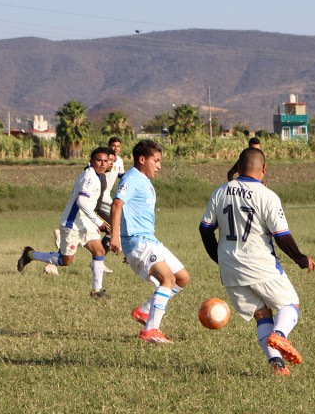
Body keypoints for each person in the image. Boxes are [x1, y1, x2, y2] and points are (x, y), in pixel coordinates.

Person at [200, 147, 315, 376]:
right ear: (263, 169)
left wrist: (219, 258)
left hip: (230, 269)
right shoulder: (267, 195)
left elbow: (205, 229)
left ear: (238, 167)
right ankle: (280, 335)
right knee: (290, 305)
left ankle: (277, 365)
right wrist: (301, 259)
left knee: (262, 315)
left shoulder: (220, 192)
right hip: (260, 265)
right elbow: (281, 236)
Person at [109, 139, 191, 344]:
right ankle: (151, 330)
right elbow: (117, 204)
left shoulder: (143, 180)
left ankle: (145, 311)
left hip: (149, 240)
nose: (159, 166)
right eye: (156, 160)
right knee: (168, 279)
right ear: (142, 159)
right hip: (139, 241)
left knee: (182, 278)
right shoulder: (132, 178)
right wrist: (117, 237)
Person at [18, 147, 112, 296]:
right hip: (72, 223)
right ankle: (30, 254)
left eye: (105, 161)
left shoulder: (98, 176)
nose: (102, 164)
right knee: (65, 261)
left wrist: (94, 221)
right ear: (91, 161)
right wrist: (98, 222)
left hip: (85, 222)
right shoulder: (89, 177)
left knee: (99, 251)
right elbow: (81, 201)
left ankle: (96, 291)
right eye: (99, 160)